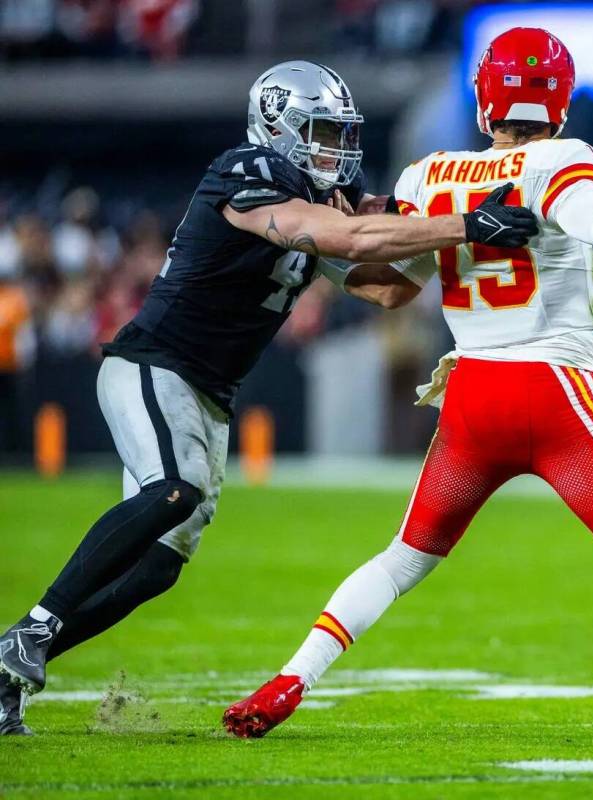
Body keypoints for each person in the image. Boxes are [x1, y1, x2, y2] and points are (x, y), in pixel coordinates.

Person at [223, 29, 593, 745]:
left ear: (483, 101)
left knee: (402, 560)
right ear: (560, 102)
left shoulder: (428, 175)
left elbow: (384, 287)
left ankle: (288, 682)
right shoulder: (561, 159)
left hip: (473, 396)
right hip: (556, 391)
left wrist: (311, 244)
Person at [0, 60, 537, 735]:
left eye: (342, 133)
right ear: (277, 125)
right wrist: (463, 224)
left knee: (160, 566)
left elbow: (384, 286)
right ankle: (35, 629)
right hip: (153, 364)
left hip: (210, 395)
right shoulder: (247, 173)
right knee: (176, 486)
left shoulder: (323, 194)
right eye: (320, 132)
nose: (336, 149)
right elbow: (346, 237)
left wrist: (454, 246)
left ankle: (15, 662)